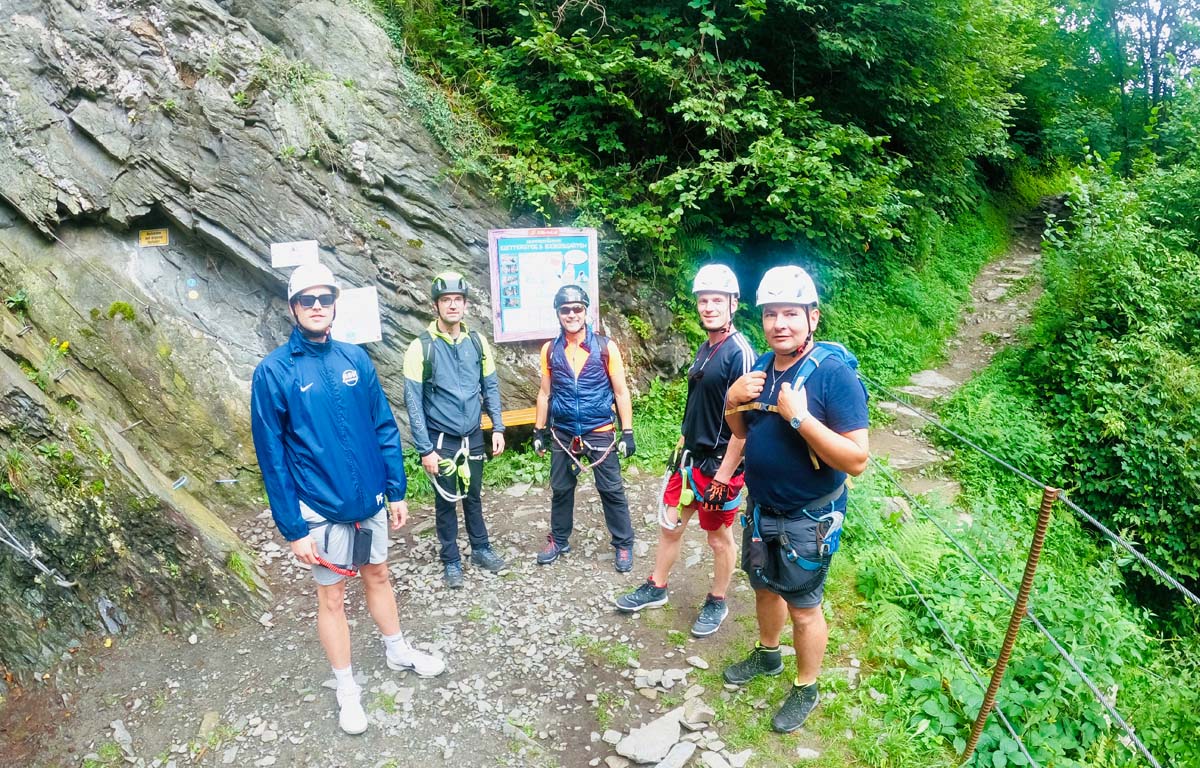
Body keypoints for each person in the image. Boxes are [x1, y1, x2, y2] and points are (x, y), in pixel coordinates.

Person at [250, 263, 446, 736]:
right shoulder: (274, 371)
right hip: (320, 506)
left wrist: (396, 490)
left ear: (335, 305)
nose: (317, 308)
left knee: (379, 573)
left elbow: (382, 427)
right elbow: (271, 454)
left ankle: (397, 649)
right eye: (307, 301)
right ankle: (346, 687)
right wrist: (292, 528)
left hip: (369, 498)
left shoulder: (355, 360)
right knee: (332, 596)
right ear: (293, 307)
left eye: (324, 300)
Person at [721, 265, 869, 733]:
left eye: (790, 313)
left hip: (810, 516)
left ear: (813, 317)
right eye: (770, 314)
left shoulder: (833, 377)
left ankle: (807, 685)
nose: (779, 323)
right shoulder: (760, 367)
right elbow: (743, 432)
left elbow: (857, 459)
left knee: (804, 605)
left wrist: (801, 419)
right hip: (762, 507)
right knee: (764, 585)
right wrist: (730, 402)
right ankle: (768, 656)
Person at [615, 264, 755, 637]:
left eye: (716, 300)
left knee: (717, 538)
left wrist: (724, 476)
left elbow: (747, 423)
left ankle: (717, 600)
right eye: (703, 300)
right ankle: (657, 587)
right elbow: (698, 405)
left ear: (733, 304)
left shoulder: (739, 352)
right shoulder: (707, 347)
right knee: (670, 526)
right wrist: (681, 445)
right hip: (690, 460)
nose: (708, 307)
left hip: (719, 466)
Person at [403, 271, 507, 589]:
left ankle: (480, 549)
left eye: (458, 300)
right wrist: (425, 449)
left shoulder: (477, 342)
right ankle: (450, 561)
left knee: (473, 495)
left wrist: (498, 428)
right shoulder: (420, 347)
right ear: (436, 305)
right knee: (445, 501)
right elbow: (413, 402)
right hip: (441, 439)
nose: (452, 306)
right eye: (446, 300)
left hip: (473, 434)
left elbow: (490, 387)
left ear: (464, 305)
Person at [532, 284, 637, 572]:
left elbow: (621, 392)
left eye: (577, 308)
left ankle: (624, 544)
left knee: (611, 489)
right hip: (563, 432)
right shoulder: (549, 350)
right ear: (558, 313)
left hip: (599, 428)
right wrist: (538, 431)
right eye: (565, 309)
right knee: (561, 488)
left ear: (586, 311)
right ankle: (560, 540)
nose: (571, 314)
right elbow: (544, 393)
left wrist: (627, 432)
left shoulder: (605, 347)